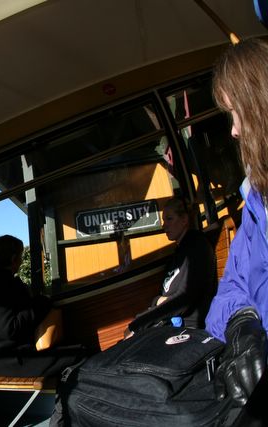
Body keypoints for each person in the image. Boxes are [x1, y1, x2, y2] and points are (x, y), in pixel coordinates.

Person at [204, 38, 268, 412]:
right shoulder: (256, 201)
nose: (234, 131)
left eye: (235, 113)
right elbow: (232, 284)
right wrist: (242, 322)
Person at [0, 235, 80, 379]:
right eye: (21, 256)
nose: (22, 261)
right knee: (79, 354)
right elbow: (10, 328)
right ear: (13, 259)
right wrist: (41, 303)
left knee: (75, 350)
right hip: (9, 360)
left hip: (12, 355)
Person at [124, 197, 217, 337]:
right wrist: (156, 302)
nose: (164, 226)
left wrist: (139, 324)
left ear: (184, 219)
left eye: (169, 219)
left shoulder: (197, 247)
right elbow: (165, 293)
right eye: (163, 220)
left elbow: (184, 299)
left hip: (188, 327)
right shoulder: (179, 253)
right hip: (170, 322)